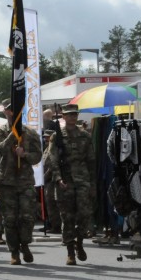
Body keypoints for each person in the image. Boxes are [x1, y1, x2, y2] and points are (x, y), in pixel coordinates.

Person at [0, 99, 42, 266]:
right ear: (5, 112)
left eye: (15, 109)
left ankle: (25, 244)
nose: (12, 112)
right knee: (10, 219)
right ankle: (14, 251)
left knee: (27, 217)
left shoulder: (30, 133)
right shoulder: (0, 131)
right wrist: (12, 135)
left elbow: (38, 156)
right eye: (9, 110)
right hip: (6, 181)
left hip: (25, 181)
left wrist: (25, 155)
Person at [46, 103, 96, 265]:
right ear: (63, 117)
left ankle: (79, 242)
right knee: (67, 217)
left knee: (84, 214)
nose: (72, 117)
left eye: (75, 114)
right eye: (69, 115)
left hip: (82, 180)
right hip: (65, 181)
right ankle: (70, 251)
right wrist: (59, 179)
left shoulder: (85, 136)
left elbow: (91, 161)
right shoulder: (56, 136)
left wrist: (93, 184)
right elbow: (53, 160)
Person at [42, 129, 61, 233]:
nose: (45, 139)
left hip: (52, 179)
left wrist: (44, 177)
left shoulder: (54, 148)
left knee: (53, 203)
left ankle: (56, 226)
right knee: (48, 203)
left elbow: (51, 166)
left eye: (47, 137)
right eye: (45, 137)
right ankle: (51, 224)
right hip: (47, 181)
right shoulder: (46, 148)